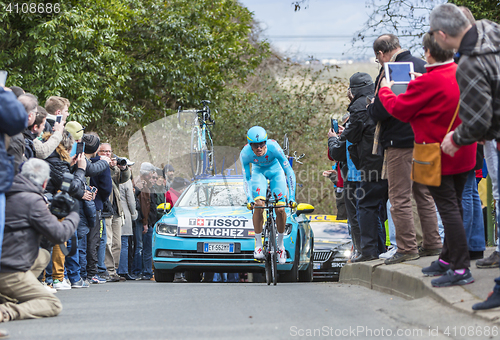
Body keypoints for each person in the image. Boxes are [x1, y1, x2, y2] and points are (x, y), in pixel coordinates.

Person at [378, 32, 475, 287]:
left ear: (429, 53)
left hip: (438, 155)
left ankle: (461, 266)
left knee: (449, 209)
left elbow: (399, 109)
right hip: (464, 150)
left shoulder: (428, 82)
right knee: (455, 204)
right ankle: (445, 257)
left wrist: (386, 91)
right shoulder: (463, 72)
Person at [429, 3, 500, 309]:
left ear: (443, 35)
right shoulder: (491, 29)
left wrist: (455, 139)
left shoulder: (470, 63)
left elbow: (481, 119)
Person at [367, 33, 440, 265]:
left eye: (378, 59)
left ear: (381, 54)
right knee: (424, 194)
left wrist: (371, 107)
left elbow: (383, 109)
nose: (380, 63)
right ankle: (432, 243)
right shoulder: (422, 65)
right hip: (426, 140)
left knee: (399, 197)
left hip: (400, 142)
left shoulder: (392, 69)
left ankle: (407, 247)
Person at [0, 158, 79, 321]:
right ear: (44, 183)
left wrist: (49, 213)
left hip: (6, 262)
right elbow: (60, 235)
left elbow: (45, 241)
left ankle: (6, 296)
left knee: (43, 255)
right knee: (52, 304)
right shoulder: (32, 200)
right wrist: (74, 214)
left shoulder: (8, 193)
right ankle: (6, 311)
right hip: (9, 270)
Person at [342, 72, 388, 261]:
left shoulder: (358, 107)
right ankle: (387, 247)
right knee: (388, 206)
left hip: (370, 163)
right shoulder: (377, 98)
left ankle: (369, 251)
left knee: (365, 205)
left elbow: (352, 135)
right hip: (389, 159)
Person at [240, 126, 296, 264]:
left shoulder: (274, 148)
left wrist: (292, 197)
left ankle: (280, 246)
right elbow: (247, 178)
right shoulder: (245, 154)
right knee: (258, 205)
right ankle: (258, 245)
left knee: (281, 208)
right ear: (249, 145)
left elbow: (288, 171)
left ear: (265, 142)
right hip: (259, 173)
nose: (259, 148)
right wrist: (249, 198)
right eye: (255, 145)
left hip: (276, 172)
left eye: (262, 144)